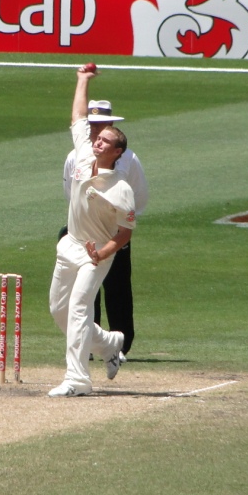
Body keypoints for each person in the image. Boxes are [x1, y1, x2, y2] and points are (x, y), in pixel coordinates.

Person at [48, 66, 135, 398]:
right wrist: (82, 80)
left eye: (106, 141)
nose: (98, 141)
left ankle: (77, 379)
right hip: (70, 244)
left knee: (80, 308)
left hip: (95, 254)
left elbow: (125, 234)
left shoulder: (121, 188)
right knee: (60, 311)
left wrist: (101, 253)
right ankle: (110, 343)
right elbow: (78, 118)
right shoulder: (83, 156)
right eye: (98, 138)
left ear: (117, 152)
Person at [61, 98, 147, 361]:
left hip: (113, 232)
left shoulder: (129, 159)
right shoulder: (76, 155)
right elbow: (71, 192)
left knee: (117, 288)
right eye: (92, 124)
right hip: (80, 231)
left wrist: (114, 225)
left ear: (111, 124)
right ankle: (87, 346)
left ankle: (120, 346)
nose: (96, 130)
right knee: (81, 295)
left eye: (101, 125)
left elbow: (138, 197)